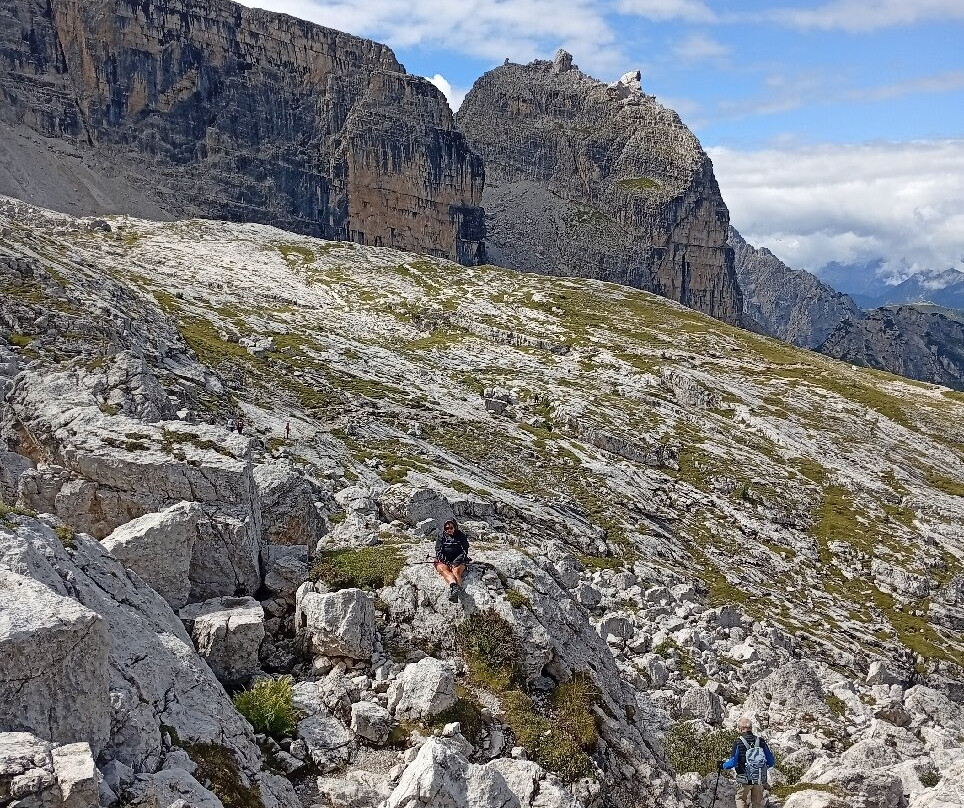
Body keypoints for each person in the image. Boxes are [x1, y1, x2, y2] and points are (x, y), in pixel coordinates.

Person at [720, 716, 775, 808]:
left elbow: (732, 763)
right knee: (756, 802)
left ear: (740, 729)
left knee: (740, 798)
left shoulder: (738, 742)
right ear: (751, 728)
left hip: (744, 778)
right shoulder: (760, 741)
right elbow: (771, 761)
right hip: (759, 778)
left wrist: (722, 765)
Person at [434, 518, 469, 602]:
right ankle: (454, 587)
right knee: (443, 569)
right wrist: (447, 562)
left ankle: (456, 591)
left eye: (451, 528)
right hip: (444, 559)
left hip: (458, 559)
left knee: (456, 571)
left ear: (455, 527)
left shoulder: (461, 536)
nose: (449, 530)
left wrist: (455, 562)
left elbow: (464, 551)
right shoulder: (441, 536)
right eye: (446, 528)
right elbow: (438, 551)